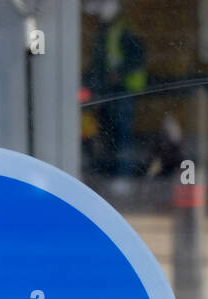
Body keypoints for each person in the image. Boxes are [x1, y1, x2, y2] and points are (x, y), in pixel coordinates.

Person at [85, 0, 147, 183]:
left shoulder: (123, 31)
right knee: (110, 133)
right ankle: (113, 173)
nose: (96, 18)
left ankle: (123, 175)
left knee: (122, 134)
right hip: (109, 91)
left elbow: (138, 57)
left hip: (123, 91)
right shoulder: (106, 32)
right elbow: (99, 63)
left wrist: (118, 74)